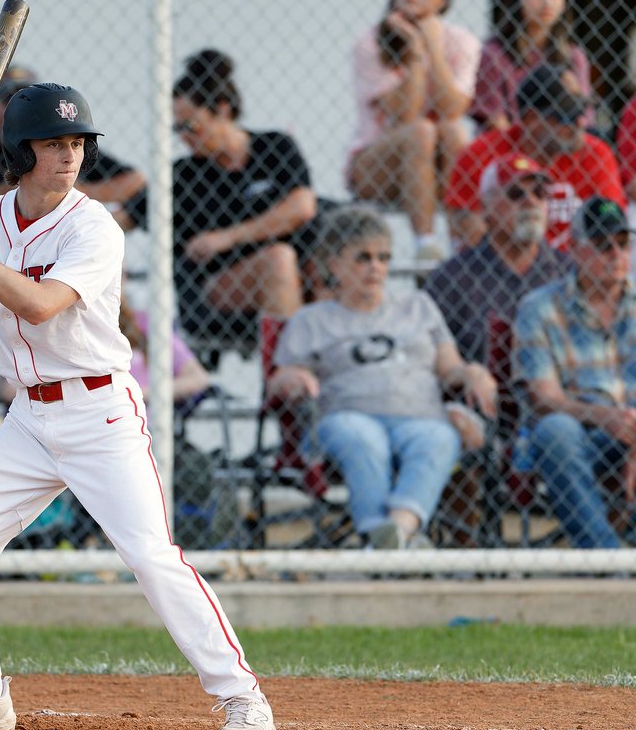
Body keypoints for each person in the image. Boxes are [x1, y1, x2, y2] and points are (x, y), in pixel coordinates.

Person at [0, 80, 277, 730]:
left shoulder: (92, 224)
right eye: (53, 143)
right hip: (28, 422)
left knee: (152, 556)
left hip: (100, 411)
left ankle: (244, 701)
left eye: (76, 142)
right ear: (22, 150)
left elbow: (39, 305)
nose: (69, 155)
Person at [268, 206, 496, 549]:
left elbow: (450, 369)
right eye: (363, 258)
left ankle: (394, 532)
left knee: (438, 438)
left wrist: (473, 372)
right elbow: (278, 379)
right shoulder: (311, 320)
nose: (376, 267)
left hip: (419, 415)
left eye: (383, 258)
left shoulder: (419, 306)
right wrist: (295, 377)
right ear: (334, 264)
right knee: (364, 438)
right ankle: (388, 537)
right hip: (346, 417)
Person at [514, 197, 636, 549]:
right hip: (583, 432)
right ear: (575, 251)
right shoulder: (539, 307)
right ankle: (605, 556)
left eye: (623, 244)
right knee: (554, 430)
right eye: (602, 246)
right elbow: (544, 398)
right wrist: (608, 418)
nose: (616, 254)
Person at [172, 49, 315, 345]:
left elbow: (302, 207)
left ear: (222, 111)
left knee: (329, 261)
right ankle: (283, 377)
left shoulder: (274, 146)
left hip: (292, 264)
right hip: (219, 281)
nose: (184, 136)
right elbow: (130, 210)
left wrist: (229, 236)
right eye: (177, 128)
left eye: (191, 126)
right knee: (278, 261)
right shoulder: (183, 175)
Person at [346, 0, 480, 261]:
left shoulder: (461, 41)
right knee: (420, 130)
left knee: (451, 131)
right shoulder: (371, 43)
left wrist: (433, 44)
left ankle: (463, 247)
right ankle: (426, 244)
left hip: (436, 167)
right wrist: (417, 53)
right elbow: (403, 115)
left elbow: (452, 109)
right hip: (377, 166)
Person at [446, 65, 624, 252]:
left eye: (581, 112)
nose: (580, 123)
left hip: (576, 271)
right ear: (531, 119)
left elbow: (611, 227)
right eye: (567, 116)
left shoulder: (596, 154)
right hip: (505, 272)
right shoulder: (481, 155)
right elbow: (468, 237)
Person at [425, 153, 570, 365]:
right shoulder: (451, 278)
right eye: (515, 194)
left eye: (539, 193)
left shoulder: (569, 271)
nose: (530, 202)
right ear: (485, 208)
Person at [0, 65, 147, 232]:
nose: (70, 156)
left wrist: (72, 189)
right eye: (8, 101)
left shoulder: (70, 149)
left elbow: (136, 180)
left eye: (26, 104)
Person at [470, 0, 593, 132]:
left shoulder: (573, 56)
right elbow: (494, 119)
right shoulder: (495, 53)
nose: (547, 2)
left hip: (560, 145)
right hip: (508, 145)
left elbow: (584, 117)